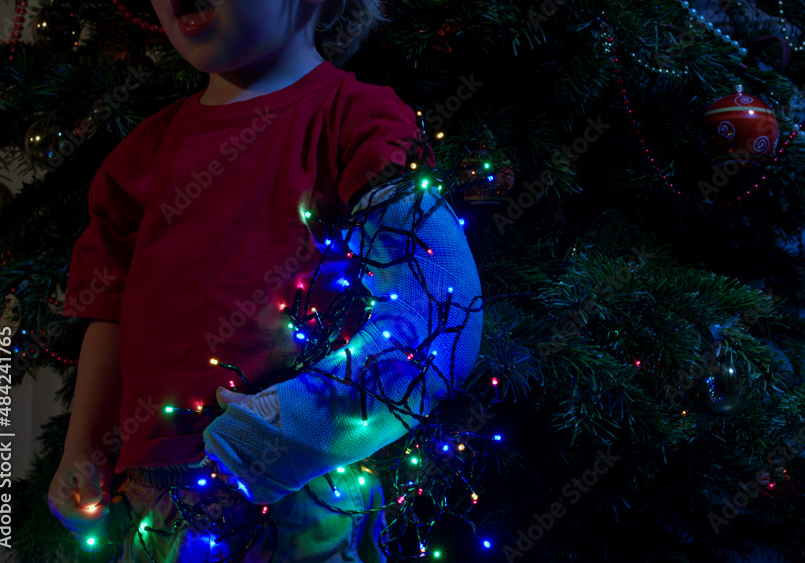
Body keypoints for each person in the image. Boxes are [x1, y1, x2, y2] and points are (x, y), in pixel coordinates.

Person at [47, 0, 483, 560]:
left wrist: (283, 432)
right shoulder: (140, 157)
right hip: (150, 503)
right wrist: (82, 450)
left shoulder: (355, 118)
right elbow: (110, 314)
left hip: (300, 499)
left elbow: (441, 307)